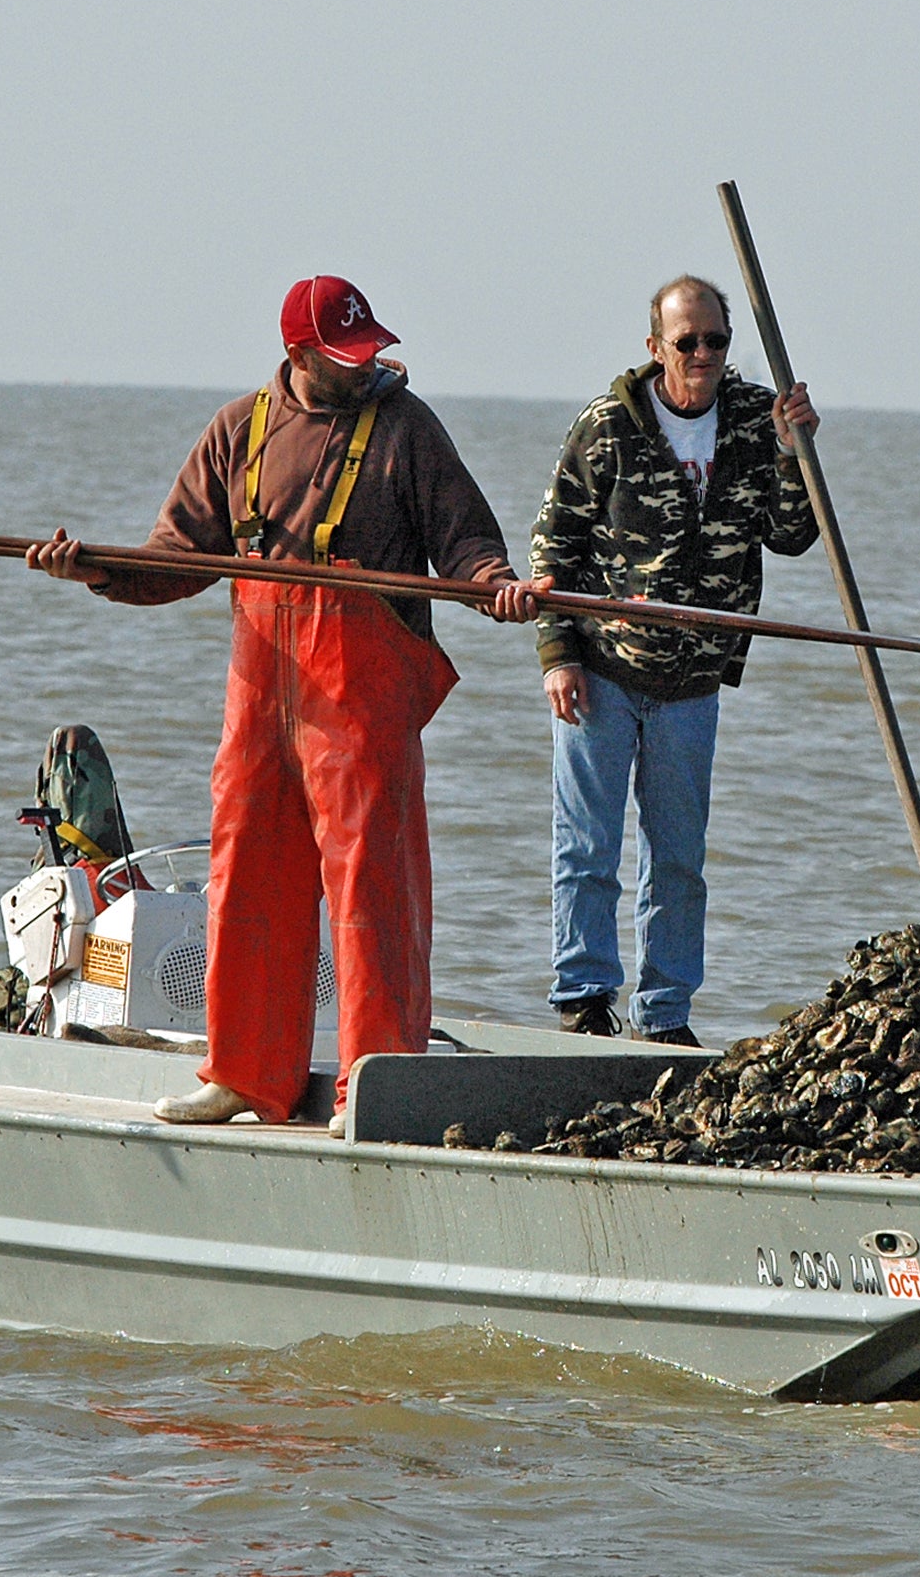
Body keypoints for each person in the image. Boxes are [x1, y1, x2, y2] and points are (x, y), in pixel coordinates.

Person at [27, 276, 541, 1127]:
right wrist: (96, 569)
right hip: (260, 697)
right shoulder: (238, 429)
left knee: (374, 889)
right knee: (244, 881)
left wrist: (499, 590)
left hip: (361, 705)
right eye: (345, 356)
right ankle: (242, 1076)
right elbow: (177, 559)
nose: (366, 367)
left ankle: (374, 1086)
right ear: (298, 354)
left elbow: (468, 545)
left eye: (370, 350)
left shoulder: (408, 431)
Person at [530, 274, 820, 1046]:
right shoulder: (607, 426)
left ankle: (665, 1016)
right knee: (587, 845)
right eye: (684, 341)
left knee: (679, 860)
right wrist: (557, 655)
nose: (700, 354)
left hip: (693, 680)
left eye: (714, 340)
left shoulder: (758, 419)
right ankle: (584, 997)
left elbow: (791, 535)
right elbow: (552, 543)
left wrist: (795, 455)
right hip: (601, 667)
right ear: (654, 347)